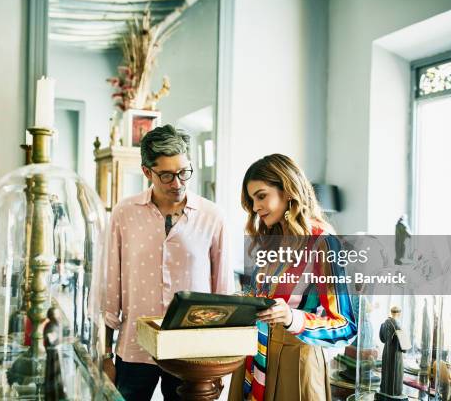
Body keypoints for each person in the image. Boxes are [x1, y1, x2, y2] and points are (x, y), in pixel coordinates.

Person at [104, 125, 233, 401]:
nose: (177, 183)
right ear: (147, 172)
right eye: (166, 175)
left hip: (191, 350)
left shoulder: (213, 216)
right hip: (134, 348)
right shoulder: (124, 214)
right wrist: (104, 355)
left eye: (184, 172)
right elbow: (109, 288)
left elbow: (223, 294)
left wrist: (219, 362)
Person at [229, 154, 356, 401]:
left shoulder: (323, 241)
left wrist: (291, 317)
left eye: (261, 196)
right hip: (254, 356)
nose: (255, 207)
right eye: (252, 199)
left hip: (295, 365)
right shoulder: (273, 239)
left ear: (287, 190)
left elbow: (345, 326)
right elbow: (261, 296)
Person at [378, 306, 406, 399]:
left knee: (386, 370)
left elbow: (382, 339)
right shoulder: (398, 325)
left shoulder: (384, 324)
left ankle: (384, 390)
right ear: (399, 313)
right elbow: (404, 346)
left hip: (386, 351)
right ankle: (394, 392)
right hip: (396, 353)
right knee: (395, 372)